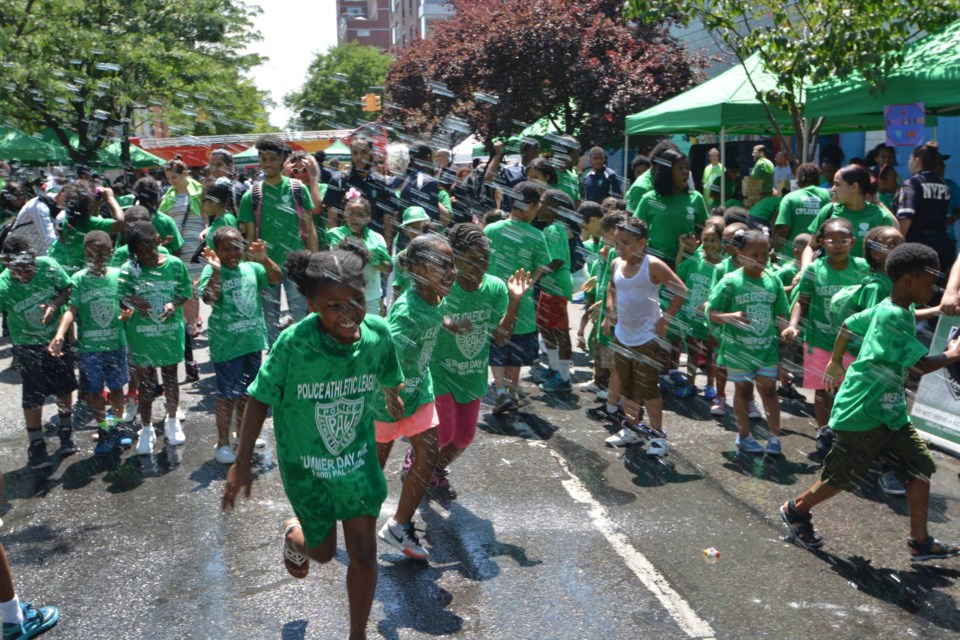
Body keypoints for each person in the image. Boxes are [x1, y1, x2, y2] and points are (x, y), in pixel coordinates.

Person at [221, 246, 405, 640]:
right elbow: (259, 398)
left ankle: (358, 633)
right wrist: (242, 459)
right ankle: (295, 534)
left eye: (355, 299)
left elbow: (389, 371)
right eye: (333, 305)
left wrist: (392, 393)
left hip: (356, 462)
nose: (347, 312)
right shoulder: (294, 344)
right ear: (311, 304)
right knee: (322, 553)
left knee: (363, 553)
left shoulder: (378, 334)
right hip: (306, 466)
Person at [779, 242, 960, 562]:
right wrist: (952, 355)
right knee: (840, 479)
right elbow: (918, 367)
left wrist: (836, 361)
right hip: (862, 412)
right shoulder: (892, 316)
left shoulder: (894, 309)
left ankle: (919, 542)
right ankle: (795, 510)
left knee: (919, 467)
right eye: (930, 280)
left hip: (889, 412)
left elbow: (848, 325)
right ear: (908, 280)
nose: (935, 288)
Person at [375, 234, 464, 561]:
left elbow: (435, 316)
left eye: (452, 263)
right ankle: (338, 518)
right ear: (415, 270)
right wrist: (388, 393)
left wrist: (451, 324)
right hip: (389, 395)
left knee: (427, 453)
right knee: (373, 472)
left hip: (419, 389)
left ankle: (398, 526)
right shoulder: (406, 311)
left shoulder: (431, 299)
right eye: (441, 264)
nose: (451, 271)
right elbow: (386, 352)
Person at [429, 223, 530, 497]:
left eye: (485, 258)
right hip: (439, 370)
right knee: (445, 432)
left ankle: (432, 469)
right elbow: (422, 311)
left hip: (472, 373)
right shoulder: (444, 285)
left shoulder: (495, 288)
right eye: (473, 259)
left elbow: (500, 338)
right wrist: (448, 321)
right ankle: (420, 468)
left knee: (464, 438)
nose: (481, 265)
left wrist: (515, 301)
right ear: (456, 258)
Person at [782, 218, 870, 458]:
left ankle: (846, 434)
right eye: (832, 240)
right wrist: (793, 325)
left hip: (854, 342)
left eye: (844, 240)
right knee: (822, 390)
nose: (838, 245)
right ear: (821, 242)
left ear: (853, 242)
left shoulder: (862, 268)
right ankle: (824, 433)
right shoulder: (814, 269)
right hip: (820, 341)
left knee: (848, 390)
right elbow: (802, 302)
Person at [601, 217, 687, 452]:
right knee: (627, 386)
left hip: (647, 336)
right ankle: (631, 428)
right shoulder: (616, 264)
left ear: (642, 243)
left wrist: (665, 319)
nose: (620, 249)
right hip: (623, 334)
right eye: (617, 243)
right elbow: (612, 287)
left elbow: (681, 291)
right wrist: (610, 311)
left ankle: (658, 435)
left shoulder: (653, 265)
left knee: (648, 388)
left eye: (626, 243)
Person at [198, 227, 281, 464]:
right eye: (225, 249)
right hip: (227, 346)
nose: (232, 253)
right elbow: (209, 297)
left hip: (252, 342)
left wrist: (264, 258)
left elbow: (276, 278)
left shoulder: (252, 268)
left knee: (247, 393)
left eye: (236, 247)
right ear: (217, 251)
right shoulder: (213, 269)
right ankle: (222, 442)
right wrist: (215, 270)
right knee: (227, 395)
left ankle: (243, 436)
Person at [48, 231, 130, 457]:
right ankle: (103, 429)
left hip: (115, 344)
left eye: (101, 255)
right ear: (84, 255)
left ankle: (119, 424)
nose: (96, 260)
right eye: (90, 255)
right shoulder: (79, 280)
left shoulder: (118, 275)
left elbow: (127, 304)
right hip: (90, 348)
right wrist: (60, 334)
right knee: (93, 391)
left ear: (111, 253)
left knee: (116, 388)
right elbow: (71, 310)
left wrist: (128, 314)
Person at [708, 228, 789, 454]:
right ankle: (744, 435)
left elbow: (781, 312)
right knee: (743, 391)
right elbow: (711, 312)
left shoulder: (773, 280)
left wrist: (787, 329)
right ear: (739, 254)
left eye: (765, 255)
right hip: (738, 349)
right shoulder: (730, 281)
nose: (761, 260)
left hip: (766, 349)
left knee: (770, 391)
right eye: (755, 255)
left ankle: (774, 437)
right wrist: (728, 317)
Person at [0, 236, 76, 469]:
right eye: (19, 270)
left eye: (29, 266)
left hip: (57, 337)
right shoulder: (3, 286)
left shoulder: (49, 266)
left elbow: (67, 289)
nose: (26, 273)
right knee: (33, 393)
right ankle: (36, 444)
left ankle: (66, 429)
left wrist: (54, 304)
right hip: (26, 343)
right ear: (6, 263)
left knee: (63, 386)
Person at [118, 222, 192, 453]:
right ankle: (147, 427)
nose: (147, 255)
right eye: (140, 252)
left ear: (158, 241)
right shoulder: (128, 269)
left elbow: (185, 292)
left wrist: (173, 303)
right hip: (142, 336)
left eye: (150, 248)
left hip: (169, 333)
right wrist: (131, 301)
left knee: (171, 377)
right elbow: (120, 297)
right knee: (146, 382)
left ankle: (171, 421)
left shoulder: (175, 265)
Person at [238, 134, 319, 346]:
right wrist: (248, 268)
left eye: (272, 159)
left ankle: (304, 356)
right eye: (263, 159)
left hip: (296, 263)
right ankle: (275, 363)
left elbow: (309, 227)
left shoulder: (297, 189)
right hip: (265, 267)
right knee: (269, 320)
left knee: (302, 316)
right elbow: (248, 238)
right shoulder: (252, 195)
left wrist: (315, 261)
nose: (268, 164)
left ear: (282, 159)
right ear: (259, 161)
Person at [484, 182, 553, 414]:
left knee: (497, 344)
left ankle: (501, 391)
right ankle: (512, 392)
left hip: (493, 299)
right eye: (537, 208)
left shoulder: (491, 230)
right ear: (530, 206)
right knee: (516, 347)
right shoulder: (536, 235)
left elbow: (479, 261)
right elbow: (542, 267)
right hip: (521, 302)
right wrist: (527, 284)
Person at [803, 164, 899, 267]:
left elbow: (888, 256)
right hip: (828, 282)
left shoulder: (880, 216)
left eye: (837, 184)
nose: (832, 189)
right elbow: (811, 247)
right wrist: (805, 270)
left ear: (854, 187)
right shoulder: (829, 211)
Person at [671, 219, 724, 399]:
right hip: (691, 317)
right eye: (705, 240)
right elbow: (679, 269)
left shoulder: (722, 267)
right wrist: (681, 250)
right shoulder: (695, 260)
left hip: (709, 320)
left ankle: (711, 386)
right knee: (693, 352)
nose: (708, 244)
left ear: (721, 243)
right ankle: (690, 384)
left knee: (710, 354)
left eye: (713, 240)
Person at [633, 147, 709, 269]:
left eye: (687, 168)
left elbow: (704, 230)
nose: (686, 172)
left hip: (688, 262)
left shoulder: (696, 198)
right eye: (680, 168)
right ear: (667, 171)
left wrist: (696, 243)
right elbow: (636, 232)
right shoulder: (649, 199)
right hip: (656, 263)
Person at [895, 143, 955, 296]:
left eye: (909, 158)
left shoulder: (912, 184)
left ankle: (919, 319)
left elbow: (906, 217)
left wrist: (897, 246)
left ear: (916, 161)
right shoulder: (943, 184)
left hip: (919, 244)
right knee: (938, 289)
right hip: (943, 242)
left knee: (916, 290)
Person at [585, 212, 626, 422]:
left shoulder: (619, 255)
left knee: (615, 362)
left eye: (605, 235)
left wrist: (609, 312)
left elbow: (617, 287)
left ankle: (616, 403)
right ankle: (612, 401)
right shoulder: (610, 254)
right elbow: (608, 285)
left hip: (616, 316)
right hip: (608, 312)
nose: (602, 240)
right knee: (608, 357)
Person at [536, 189, 576, 392]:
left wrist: (536, 275)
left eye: (542, 201)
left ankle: (564, 377)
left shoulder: (553, 229)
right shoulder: (554, 228)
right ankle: (554, 369)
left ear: (555, 208)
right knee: (546, 328)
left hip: (556, 286)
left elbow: (557, 260)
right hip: (550, 286)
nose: (538, 205)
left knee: (559, 331)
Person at [326, 195, 392, 316]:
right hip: (344, 299)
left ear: (368, 218)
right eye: (351, 213)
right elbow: (339, 263)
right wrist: (368, 254)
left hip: (372, 299)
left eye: (360, 215)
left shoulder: (377, 238)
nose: (354, 218)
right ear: (345, 215)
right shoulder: (335, 235)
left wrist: (369, 257)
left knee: (372, 332)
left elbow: (388, 267)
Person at [47, 181, 124, 275]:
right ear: (89, 205)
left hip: (69, 271)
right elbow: (121, 223)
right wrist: (110, 198)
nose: (99, 207)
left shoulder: (69, 218)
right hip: (84, 275)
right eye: (98, 203)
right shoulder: (89, 223)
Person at [774, 163, 831, 255]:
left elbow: (783, 230)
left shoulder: (790, 198)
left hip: (792, 257)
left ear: (799, 180)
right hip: (820, 258)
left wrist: (776, 251)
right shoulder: (829, 196)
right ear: (818, 180)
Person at [485, 138, 541, 212]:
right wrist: (498, 154)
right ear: (523, 151)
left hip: (533, 218)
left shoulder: (542, 171)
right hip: (511, 215)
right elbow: (488, 178)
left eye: (538, 151)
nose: (537, 155)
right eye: (534, 151)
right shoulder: (509, 171)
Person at [3, 181, 58, 256]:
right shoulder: (3, 212)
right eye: (15, 195)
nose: (18, 198)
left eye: (21, 195)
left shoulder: (29, 207)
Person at [199, 178, 239, 249]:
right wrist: (207, 231)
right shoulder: (220, 219)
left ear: (214, 201)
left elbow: (231, 251)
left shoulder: (226, 219)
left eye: (203, 201)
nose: (201, 205)